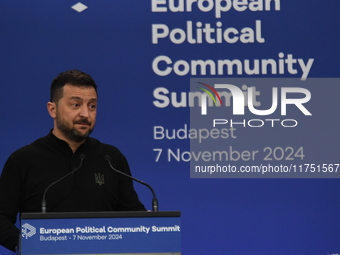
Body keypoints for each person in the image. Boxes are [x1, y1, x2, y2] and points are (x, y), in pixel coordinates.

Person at [0, 70, 146, 252]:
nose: (85, 113)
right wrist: (28, 246)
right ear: (52, 109)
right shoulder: (23, 160)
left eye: (92, 106)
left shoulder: (111, 158)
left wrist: (150, 228)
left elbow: (133, 215)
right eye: (76, 105)